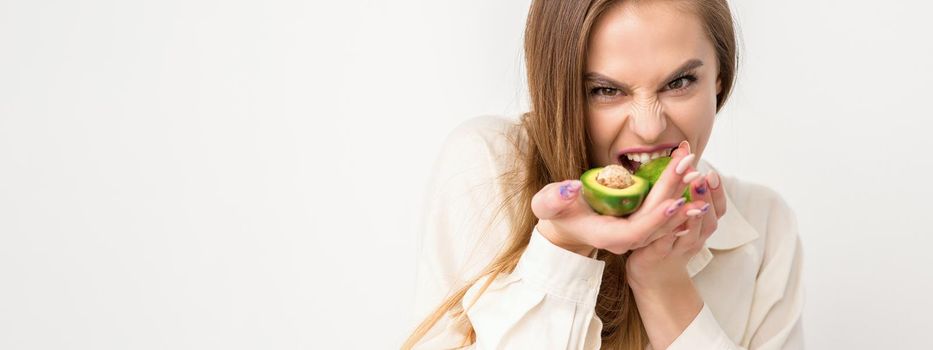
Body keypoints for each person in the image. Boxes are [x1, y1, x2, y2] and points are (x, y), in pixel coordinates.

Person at [403, 0, 804, 349]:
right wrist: (563, 247)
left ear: (719, 77)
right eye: (606, 91)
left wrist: (662, 284)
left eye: (679, 82)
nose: (649, 128)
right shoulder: (490, 166)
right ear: (559, 90)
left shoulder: (764, 225)